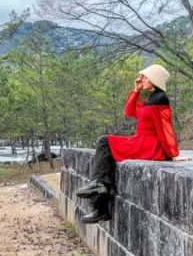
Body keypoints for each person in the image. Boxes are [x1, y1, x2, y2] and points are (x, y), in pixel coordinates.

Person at [76, 64, 179, 224]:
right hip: (140, 141)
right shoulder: (151, 98)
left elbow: (165, 126)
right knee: (104, 153)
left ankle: (99, 198)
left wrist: (171, 152)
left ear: (155, 78)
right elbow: (129, 111)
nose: (142, 79)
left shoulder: (160, 98)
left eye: (145, 77)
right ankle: (100, 202)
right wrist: (136, 90)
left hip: (148, 145)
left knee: (104, 141)